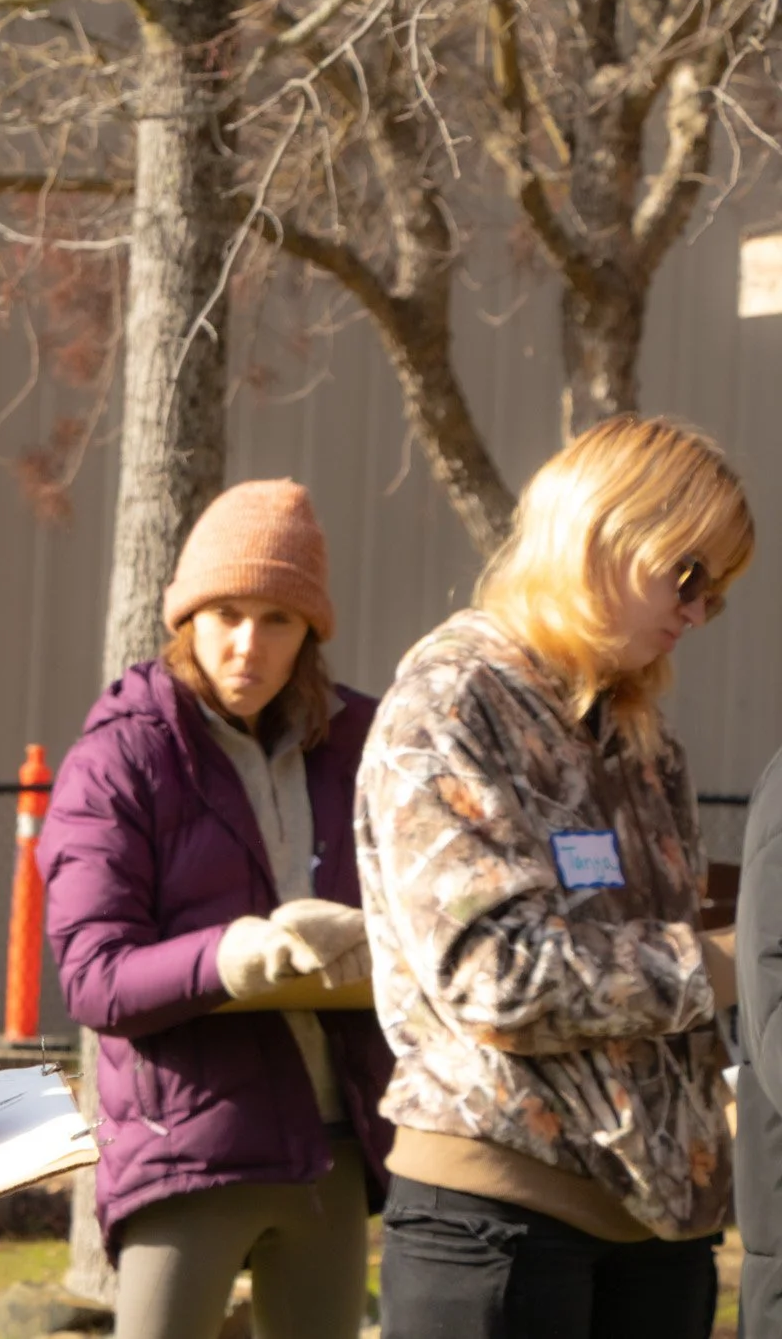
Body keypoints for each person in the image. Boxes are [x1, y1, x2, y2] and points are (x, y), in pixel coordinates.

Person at [358, 415, 748, 1339]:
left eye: (717, 594)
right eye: (688, 573)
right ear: (603, 529)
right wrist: (732, 959)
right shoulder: (453, 699)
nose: (695, 612)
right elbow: (497, 974)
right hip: (501, 1217)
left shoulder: (643, 738)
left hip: (661, 1226)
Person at [40, 480, 394, 1339]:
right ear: (185, 616)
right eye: (227, 611)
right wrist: (230, 954)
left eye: (277, 618)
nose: (248, 643)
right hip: (184, 1146)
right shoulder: (120, 756)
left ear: (312, 628)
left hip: (335, 1139)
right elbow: (93, 976)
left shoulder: (363, 743)